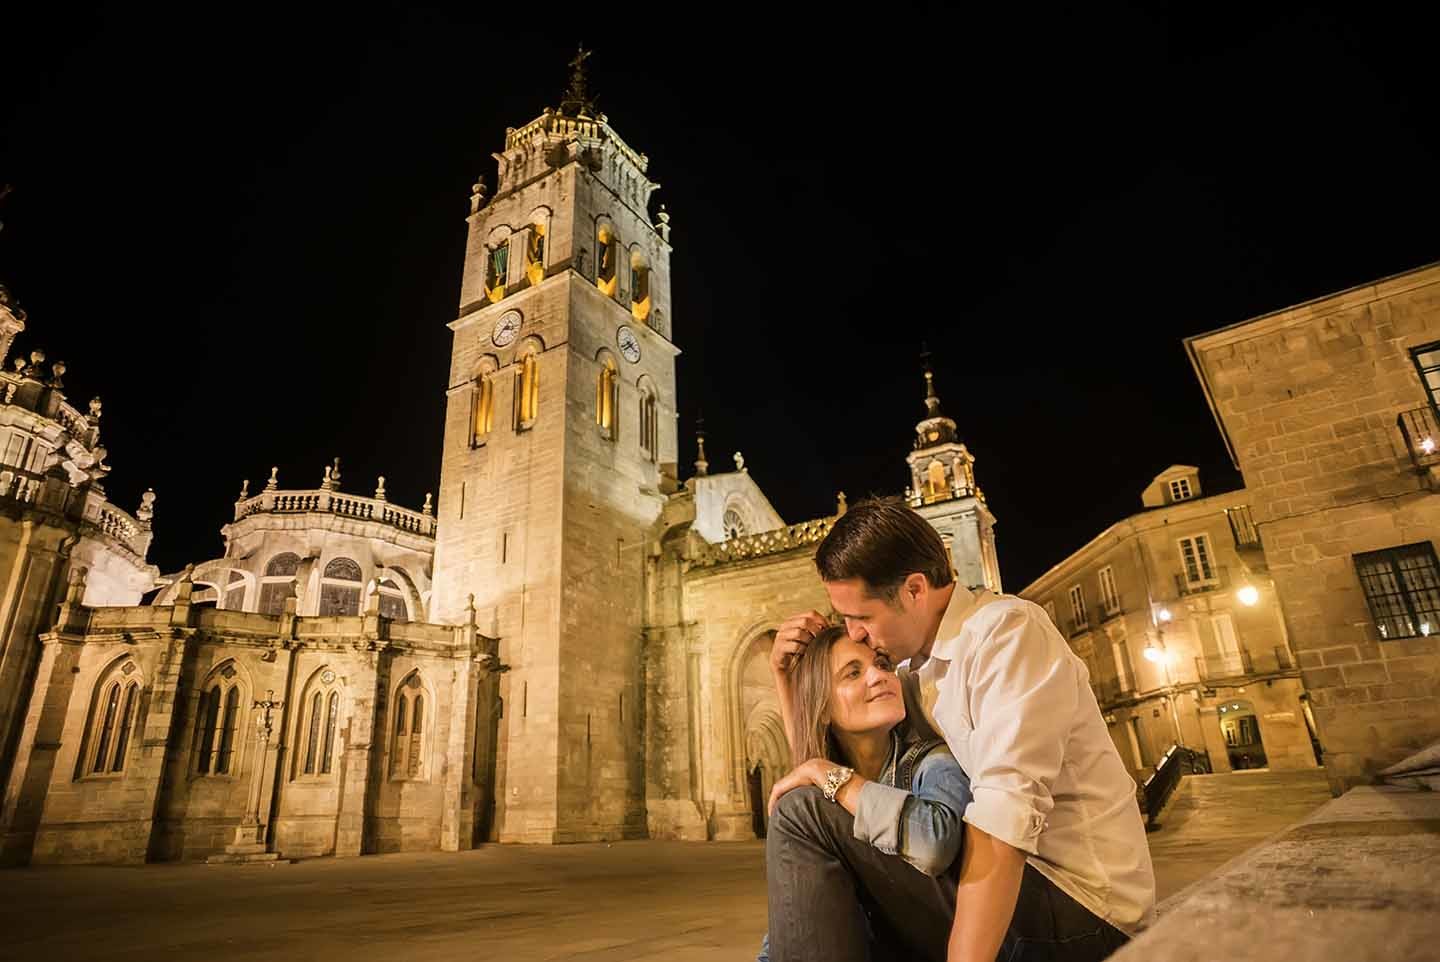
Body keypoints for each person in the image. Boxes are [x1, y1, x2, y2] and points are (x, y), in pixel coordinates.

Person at [772, 497, 1153, 962]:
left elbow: (1004, 822)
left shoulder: (1005, 635)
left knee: (803, 814)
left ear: (914, 590)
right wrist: (785, 679)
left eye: (862, 617)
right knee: (812, 820)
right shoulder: (920, 672)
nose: (853, 634)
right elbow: (824, 751)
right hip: (1022, 900)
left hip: (1081, 911)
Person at [760, 626, 971, 962]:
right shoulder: (826, 802)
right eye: (853, 673)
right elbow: (798, 920)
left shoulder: (929, 761)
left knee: (797, 808)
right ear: (823, 709)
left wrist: (829, 775)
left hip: (952, 939)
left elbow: (935, 843)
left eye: (883, 664)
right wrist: (782, 674)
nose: (878, 676)